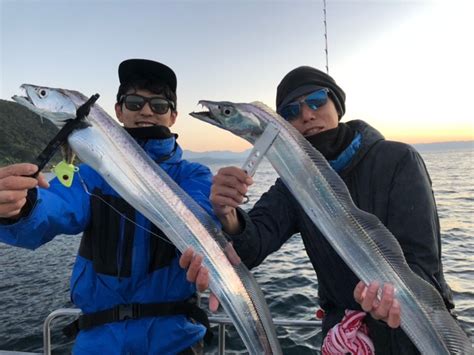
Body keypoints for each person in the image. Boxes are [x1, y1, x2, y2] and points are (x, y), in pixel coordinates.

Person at [180, 66, 455, 353]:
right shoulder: (292, 185)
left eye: (316, 101)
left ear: (337, 105)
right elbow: (253, 245)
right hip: (343, 340)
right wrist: (228, 215)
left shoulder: (397, 159)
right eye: (290, 112)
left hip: (418, 333)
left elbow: (423, 263)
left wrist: (389, 304)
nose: (307, 116)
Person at [0, 59, 215, 354]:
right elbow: (54, 206)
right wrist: (20, 208)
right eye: (135, 102)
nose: (146, 111)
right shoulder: (90, 175)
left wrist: (231, 219)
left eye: (159, 105)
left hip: (176, 339)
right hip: (100, 343)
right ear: (118, 111)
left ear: (173, 115)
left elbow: (203, 221)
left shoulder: (193, 176)